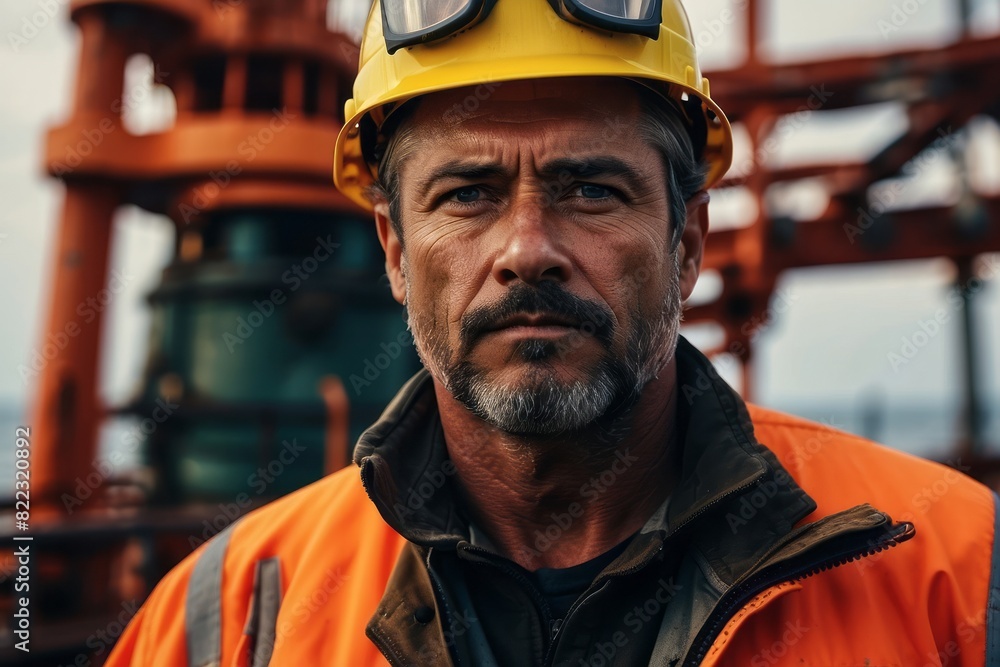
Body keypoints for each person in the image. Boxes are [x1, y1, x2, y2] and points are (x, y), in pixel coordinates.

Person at [108, 1, 999, 665]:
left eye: (591, 190)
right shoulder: (227, 617)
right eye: (467, 195)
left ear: (686, 241)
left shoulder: (957, 578)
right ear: (393, 249)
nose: (527, 251)